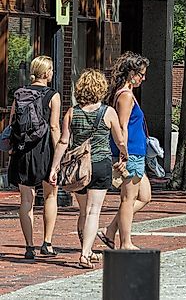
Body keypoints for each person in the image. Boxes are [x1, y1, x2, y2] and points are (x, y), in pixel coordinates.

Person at [49, 69, 128, 268]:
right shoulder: (108, 112)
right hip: (100, 163)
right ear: (101, 88)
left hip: (79, 168)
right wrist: (124, 154)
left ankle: (87, 248)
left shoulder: (72, 112)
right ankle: (85, 253)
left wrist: (54, 167)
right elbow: (119, 140)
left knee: (83, 211)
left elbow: (63, 141)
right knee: (94, 211)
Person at [7, 56, 62, 259]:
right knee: (50, 195)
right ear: (47, 73)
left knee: (26, 200)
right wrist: (58, 156)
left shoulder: (19, 93)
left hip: (22, 151)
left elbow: (13, 122)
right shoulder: (52, 95)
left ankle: (29, 246)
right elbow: (55, 127)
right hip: (44, 150)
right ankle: (47, 243)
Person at [98, 52, 152, 251]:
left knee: (145, 196)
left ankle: (110, 230)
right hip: (131, 152)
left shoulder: (127, 93)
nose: (143, 78)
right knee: (128, 199)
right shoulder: (126, 95)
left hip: (137, 151)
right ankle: (125, 242)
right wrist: (123, 152)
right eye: (141, 74)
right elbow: (122, 126)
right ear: (131, 73)